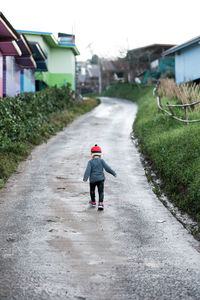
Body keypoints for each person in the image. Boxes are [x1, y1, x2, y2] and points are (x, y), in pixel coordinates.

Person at [83, 144, 117, 210]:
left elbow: (87, 170)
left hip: (93, 180)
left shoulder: (90, 162)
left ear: (92, 154)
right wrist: (113, 173)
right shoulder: (102, 161)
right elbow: (107, 168)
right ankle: (100, 204)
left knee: (92, 191)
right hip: (101, 179)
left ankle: (93, 202)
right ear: (100, 154)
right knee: (101, 191)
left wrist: (85, 178)